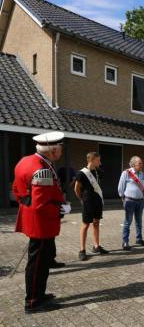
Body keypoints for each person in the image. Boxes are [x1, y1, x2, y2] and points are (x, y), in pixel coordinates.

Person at [12, 132, 69, 313]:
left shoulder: (25, 161)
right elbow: (41, 205)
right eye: (59, 148)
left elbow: (16, 190)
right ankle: (33, 301)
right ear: (52, 151)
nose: (61, 151)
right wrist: (60, 210)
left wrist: (26, 203)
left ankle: (39, 294)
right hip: (42, 222)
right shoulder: (42, 170)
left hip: (34, 219)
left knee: (41, 261)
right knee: (38, 264)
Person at [74, 152, 108, 261]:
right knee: (85, 225)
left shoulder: (98, 171)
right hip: (88, 202)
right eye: (98, 160)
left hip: (97, 201)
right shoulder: (82, 173)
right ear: (91, 160)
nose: (100, 162)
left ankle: (96, 246)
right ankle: (82, 250)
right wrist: (81, 199)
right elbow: (76, 188)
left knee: (96, 223)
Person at [118, 156, 144, 250]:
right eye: (140, 163)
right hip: (130, 201)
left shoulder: (142, 173)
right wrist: (123, 198)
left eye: (142, 163)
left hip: (140, 201)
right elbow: (120, 187)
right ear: (133, 164)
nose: (141, 165)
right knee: (128, 222)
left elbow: (141, 186)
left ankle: (139, 239)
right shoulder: (126, 173)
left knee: (139, 221)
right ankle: (125, 242)